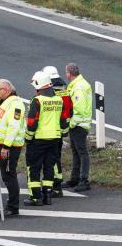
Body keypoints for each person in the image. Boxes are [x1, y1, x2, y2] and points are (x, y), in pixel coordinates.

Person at [23, 70, 70, 206]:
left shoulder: (37, 101)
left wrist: (28, 138)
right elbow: (63, 121)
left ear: (39, 86)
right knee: (49, 167)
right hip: (54, 140)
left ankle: (36, 197)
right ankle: (47, 195)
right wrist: (63, 133)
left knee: (34, 168)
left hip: (38, 140)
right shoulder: (58, 100)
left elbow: (32, 122)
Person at [0, 79, 26, 217]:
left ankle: (13, 206)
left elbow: (14, 126)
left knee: (9, 175)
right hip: (2, 143)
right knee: (6, 175)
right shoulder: (5, 102)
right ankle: (11, 205)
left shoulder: (16, 104)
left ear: (6, 90)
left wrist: (6, 146)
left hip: (10, 145)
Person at [42, 65, 73, 197]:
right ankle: (57, 184)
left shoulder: (49, 92)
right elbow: (70, 109)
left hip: (50, 130)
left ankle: (55, 185)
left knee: (51, 159)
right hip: (61, 129)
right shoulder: (64, 90)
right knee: (56, 157)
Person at [64, 63, 92, 192]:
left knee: (82, 152)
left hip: (79, 124)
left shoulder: (78, 87)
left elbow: (79, 109)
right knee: (77, 152)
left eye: (66, 72)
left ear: (69, 73)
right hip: (79, 123)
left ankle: (83, 180)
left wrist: (71, 123)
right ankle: (75, 179)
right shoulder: (79, 84)